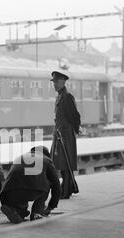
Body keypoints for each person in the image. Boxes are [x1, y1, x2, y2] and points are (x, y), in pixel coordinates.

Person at [0, 146, 61, 224]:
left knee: (21, 196)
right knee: (48, 183)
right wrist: (51, 206)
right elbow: (56, 185)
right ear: (46, 154)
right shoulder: (47, 160)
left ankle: (17, 212)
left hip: (9, 191)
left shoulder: (20, 157)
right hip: (32, 189)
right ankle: (36, 213)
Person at [50, 71, 81, 199]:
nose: (54, 85)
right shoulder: (59, 96)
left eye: (56, 82)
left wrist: (71, 131)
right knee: (61, 162)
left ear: (63, 82)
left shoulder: (67, 97)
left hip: (65, 134)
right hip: (59, 133)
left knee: (66, 162)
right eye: (54, 82)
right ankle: (71, 186)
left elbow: (75, 116)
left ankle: (66, 190)